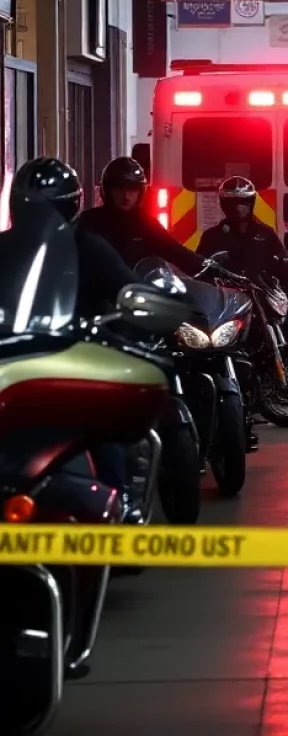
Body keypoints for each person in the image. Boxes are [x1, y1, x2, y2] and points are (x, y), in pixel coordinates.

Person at [10, 157, 145, 520]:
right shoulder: (4, 249)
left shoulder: (89, 247)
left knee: (101, 433)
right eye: (34, 210)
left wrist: (144, 308)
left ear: (70, 208)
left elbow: (127, 286)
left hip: (77, 357)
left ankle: (119, 507)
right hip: (14, 365)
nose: (43, 221)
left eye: (51, 210)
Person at [196, 176, 288, 344]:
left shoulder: (265, 234)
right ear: (224, 204)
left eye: (244, 201)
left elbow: (283, 259)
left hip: (262, 297)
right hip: (227, 300)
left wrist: (286, 266)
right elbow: (199, 267)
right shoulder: (213, 236)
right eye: (233, 202)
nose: (239, 207)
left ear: (252, 202)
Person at [78, 156, 206, 275]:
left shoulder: (146, 224)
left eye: (132, 190)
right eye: (118, 189)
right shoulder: (89, 222)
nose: (126, 196)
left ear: (141, 192)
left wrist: (209, 266)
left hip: (138, 295)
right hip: (98, 295)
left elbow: (177, 252)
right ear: (107, 190)